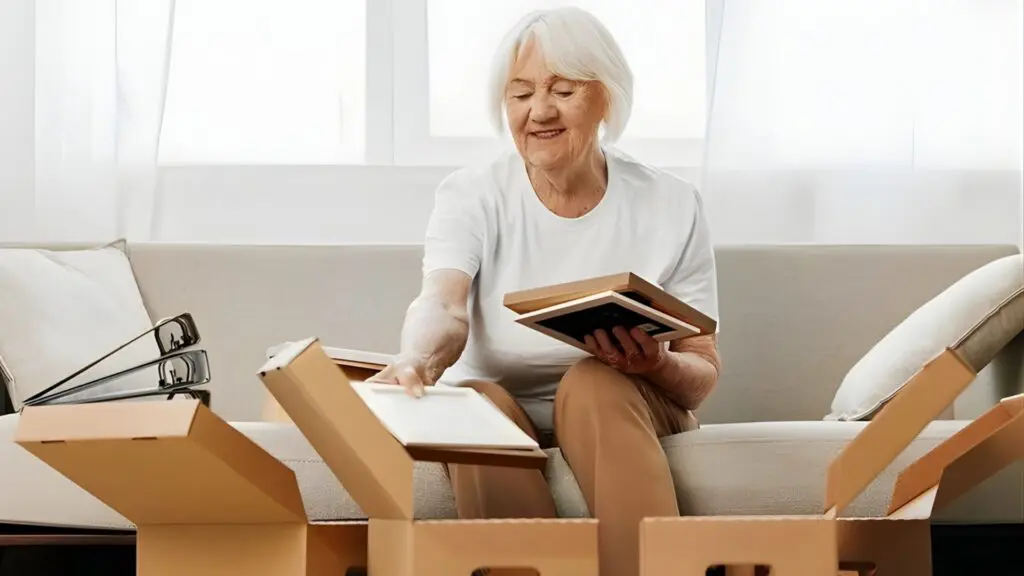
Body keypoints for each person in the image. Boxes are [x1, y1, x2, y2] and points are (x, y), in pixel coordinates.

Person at [369, 6, 721, 576]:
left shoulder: (672, 202)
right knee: (474, 404)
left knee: (592, 382)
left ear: (606, 97)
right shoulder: (471, 194)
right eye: (521, 93)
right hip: (501, 409)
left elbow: (701, 373)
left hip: (627, 402)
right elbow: (443, 302)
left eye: (563, 90)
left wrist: (654, 363)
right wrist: (418, 359)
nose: (539, 112)